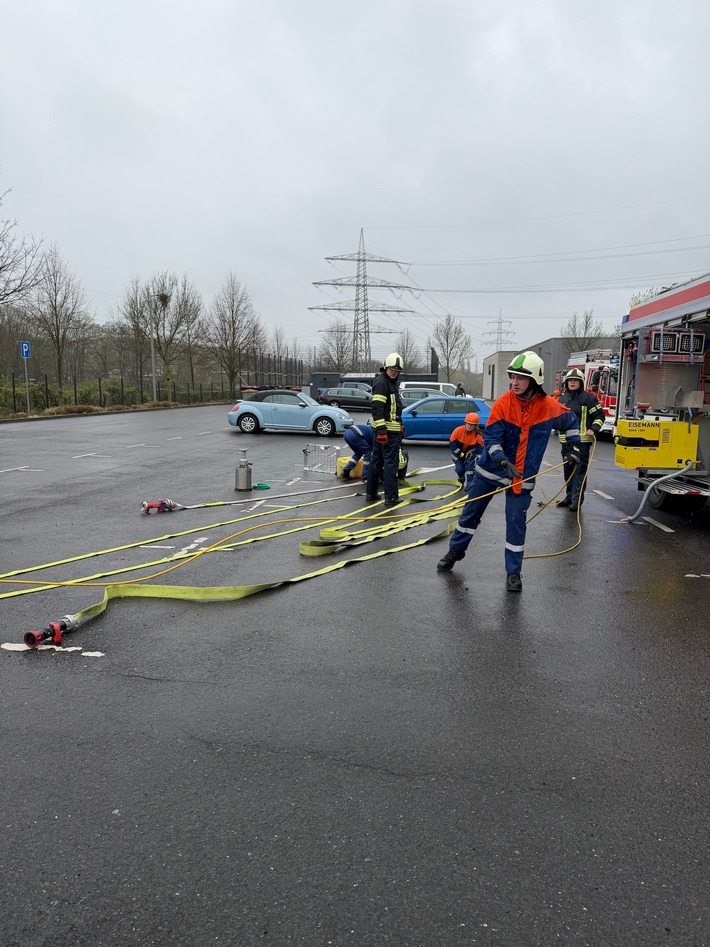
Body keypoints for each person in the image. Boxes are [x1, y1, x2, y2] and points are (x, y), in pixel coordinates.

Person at [436, 351, 582, 592]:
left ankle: (513, 572)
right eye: (512, 377)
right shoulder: (503, 404)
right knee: (471, 512)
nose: (514, 382)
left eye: (520, 378)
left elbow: (571, 422)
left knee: (516, 522)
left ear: (534, 380)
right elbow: (491, 437)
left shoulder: (548, 407)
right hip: (491, 470)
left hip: (522, 476)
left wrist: (574, 447)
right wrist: (501, 460)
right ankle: (456, 550)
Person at [556, 367, 605, 512]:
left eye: (575, 381)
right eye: (570, 380)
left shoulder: (588, 399)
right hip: (565, 442)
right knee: (568, 470)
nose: (572, 383)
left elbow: (600, 416)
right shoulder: (562, 399)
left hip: (582, 442)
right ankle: (569, 496)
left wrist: (593, 429)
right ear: (566, 383)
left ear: (581, 383)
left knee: (579, 471)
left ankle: (576, 500)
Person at [366, 353, 404, 507]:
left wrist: (400, 424)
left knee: (376, 461)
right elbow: (377, 408)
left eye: (397, 371)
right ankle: (391, 497)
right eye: (392, 370)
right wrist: (382, 432)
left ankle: (371, 493)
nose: (394, 372)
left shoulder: (388, 382)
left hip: (386, 431)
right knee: (390, 465)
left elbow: (393, 409)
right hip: (386, 433)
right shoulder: (383, 383)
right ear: (386, 367)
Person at [449, 413, 484, 486]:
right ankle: (461, 477)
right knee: (460, 469)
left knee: (470, 469)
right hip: (457, 454)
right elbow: (453, 446)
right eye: (468, 424)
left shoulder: (478, 436)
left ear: (475, 425)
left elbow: (479, 450)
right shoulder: (458, 431)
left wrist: (479, 461)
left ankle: (470, 485)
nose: (469, 426)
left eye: (472, 425)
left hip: (469, 454)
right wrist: (461, 454)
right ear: (465, 423)